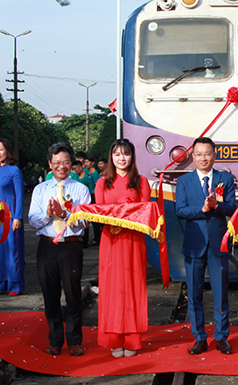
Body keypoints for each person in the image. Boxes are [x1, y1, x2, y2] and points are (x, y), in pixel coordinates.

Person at [174, 137, 238, 355]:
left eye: (207, 153)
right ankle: (199, 337)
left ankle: (221, 337)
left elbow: (231, 208)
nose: (203, 158)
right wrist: (201, 209)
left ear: (214, 155)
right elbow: (180, 211)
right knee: (194, 293)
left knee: (221, 292)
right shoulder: (184, 182)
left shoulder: (225, 179)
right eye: (199, 154)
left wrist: (216, 206)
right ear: (193, 156)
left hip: (218, 243)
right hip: (194, 244)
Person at [28, 143, 91, 356]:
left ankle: (74, 341)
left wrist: (65, 215)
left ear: (71, 164)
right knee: (50, 293)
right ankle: (55, 340)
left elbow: (85, 221)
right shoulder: (40, 189)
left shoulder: (80, 189)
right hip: (47, 246)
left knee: (73, 294)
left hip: (71, 246)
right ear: (49, 164)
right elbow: (33, 220)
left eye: (65, 162)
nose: (61, 167)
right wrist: (48, 214)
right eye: (56, 163)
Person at [94, 139, 151, 358]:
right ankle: (114, 339)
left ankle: (132, 339)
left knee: (133, 287)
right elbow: (98, 214)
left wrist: (124, 213)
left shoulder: (141, 182)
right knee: (112, 289)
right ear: (111, 157)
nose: (121, 158)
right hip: (111, 241)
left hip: (134, 242)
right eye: (117, 154)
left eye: (126, 154)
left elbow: (146, 212)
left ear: (132, 156)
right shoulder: (102, 183)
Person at [0, 138, 25, 297]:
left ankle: (15, 284)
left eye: (1, 149)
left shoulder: (14, 171)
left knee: (12, 251)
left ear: (8, 151)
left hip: (10, 217)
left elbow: (20, 195)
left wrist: (17, 217)